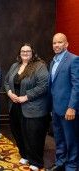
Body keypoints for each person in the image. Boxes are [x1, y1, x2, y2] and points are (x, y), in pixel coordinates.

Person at [4, 43, 49, 171]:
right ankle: (25, 155)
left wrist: (26, 97)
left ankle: (36, 161)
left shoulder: (39, 66)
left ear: (32, 53)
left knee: (33, 135)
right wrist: (9, 93)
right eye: (23, 51)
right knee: (18, 132)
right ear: (19, 53)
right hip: (15, 106)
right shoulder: (15, 66)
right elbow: (7, 82)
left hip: (32, 107)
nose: (25, 53)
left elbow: (43, 86)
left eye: (28, 51)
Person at [46, 33, 79, 171]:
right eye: (54, 43)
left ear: (66, 44)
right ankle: (60, 163)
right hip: (56, 108)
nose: (56, 45)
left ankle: (72, 166)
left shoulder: (74, 60)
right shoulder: (53, 61)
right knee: (59, 139)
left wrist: (72, 107)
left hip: (68, 110)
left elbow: (77, 85)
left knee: (71, 140)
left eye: (60, 42)